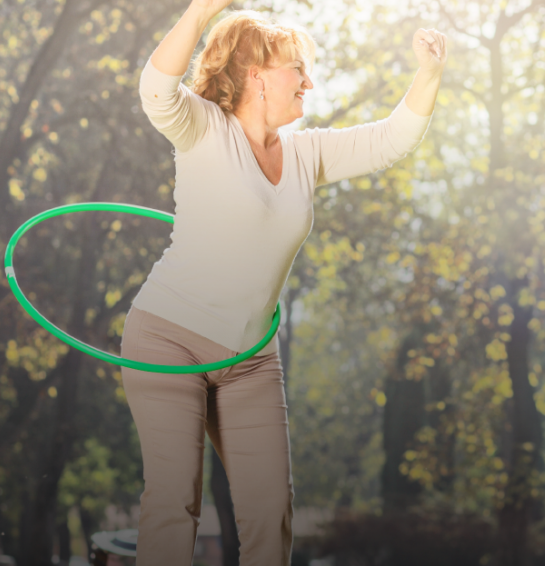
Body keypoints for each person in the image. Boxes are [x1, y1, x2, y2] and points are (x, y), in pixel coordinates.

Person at [121, 1, 446, 563]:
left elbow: (391, 141)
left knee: (272, 514)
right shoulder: (203, 129)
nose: (309, 81)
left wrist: (430, 73)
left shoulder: (305, 153)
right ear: (256, 75)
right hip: (170, 338)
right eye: (297, 68)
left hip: (251, 357)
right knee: (176, 503)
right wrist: (201, 10)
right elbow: (156, 89)